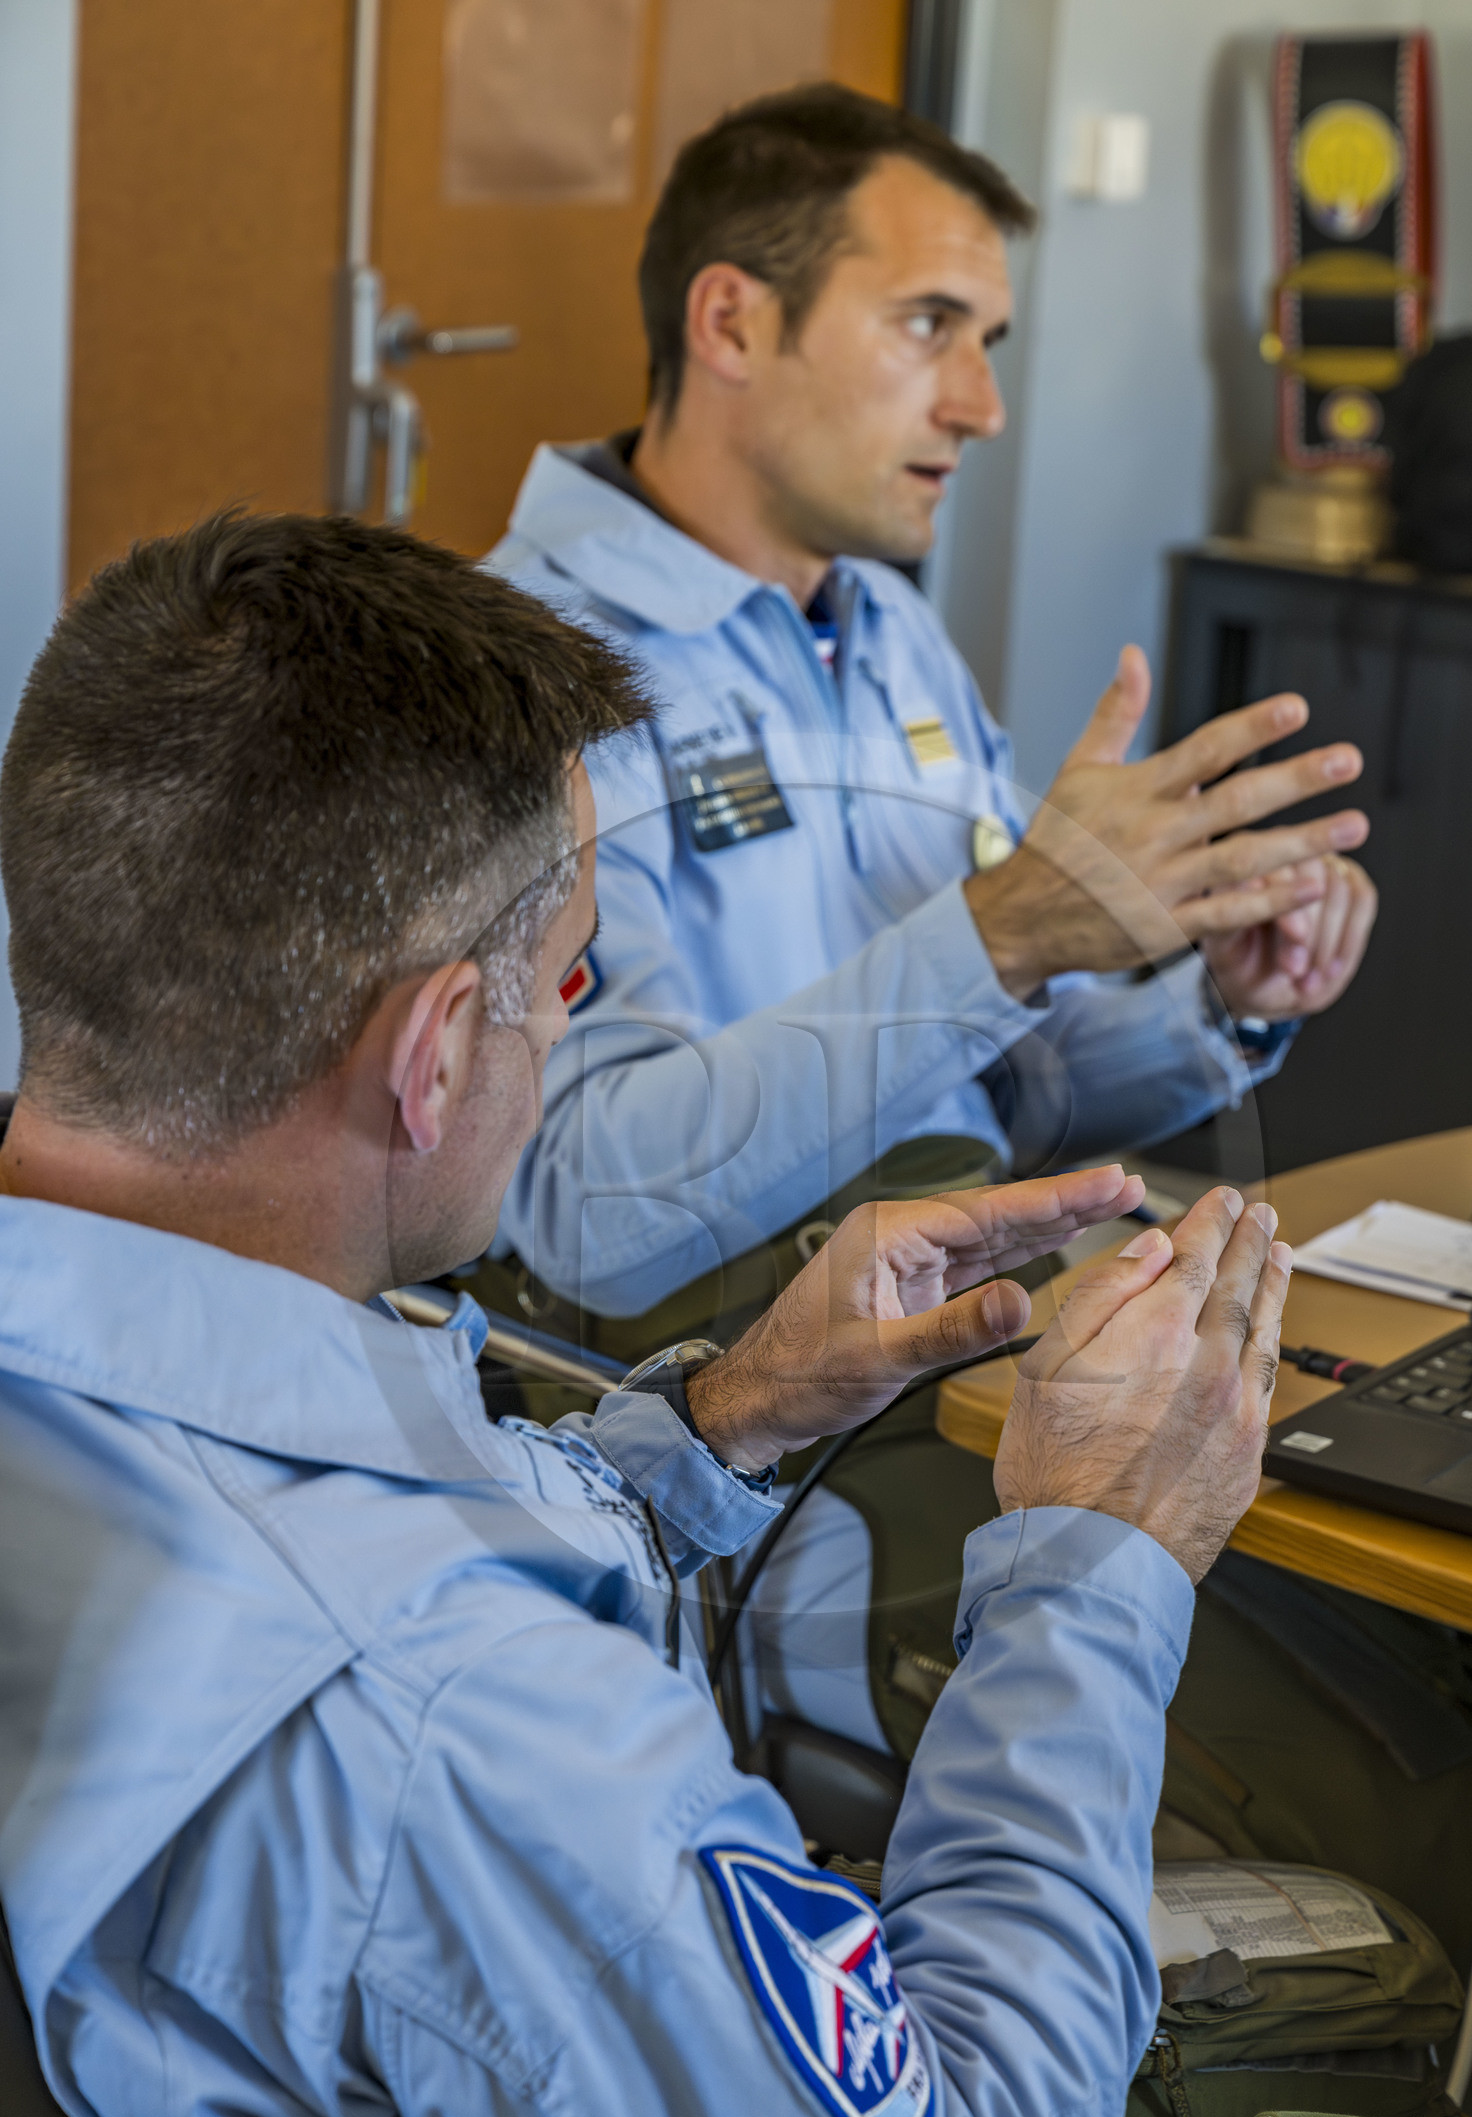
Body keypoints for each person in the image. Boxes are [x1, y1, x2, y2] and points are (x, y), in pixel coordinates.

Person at [0, 511, 1291, 2117]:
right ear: (439, 1050)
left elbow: (326, 1559)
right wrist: (1096, 1564)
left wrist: (721, 1421)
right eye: (574, 977)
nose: (574, 1017)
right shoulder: (455, 1713)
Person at [480, 80, 1385, 1809]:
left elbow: (1011, 1092)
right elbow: (589, 1212)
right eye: (928, 328)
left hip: (977, 1313)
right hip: (761, 1410)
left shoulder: (884, 636)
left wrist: (1212, 1010)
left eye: (991, 339)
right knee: (1365, 1765)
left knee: (1401, 1600)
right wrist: (999, 932)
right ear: (733, 319)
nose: (977, 403)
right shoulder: (533, 667)